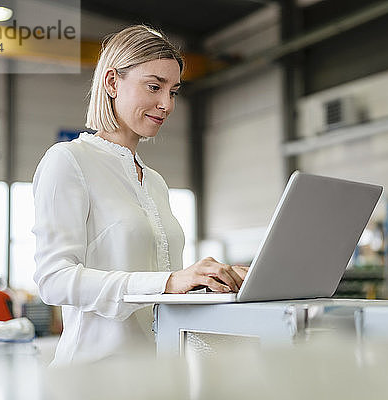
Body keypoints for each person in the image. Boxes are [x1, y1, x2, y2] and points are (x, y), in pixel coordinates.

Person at [32, 25, 247, 366]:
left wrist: (212, 282)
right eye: (154, 86)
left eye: (174, 91)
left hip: (155, 374)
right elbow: (53, 279)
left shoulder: (156, 182)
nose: (166, 104)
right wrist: (169, 282)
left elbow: (162, 291)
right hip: (95, 376)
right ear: (112, 82)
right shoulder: (69, 160)